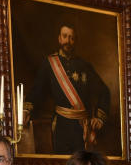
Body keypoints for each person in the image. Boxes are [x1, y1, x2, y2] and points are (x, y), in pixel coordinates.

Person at [30, 24, 111, 154]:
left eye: (72, 38)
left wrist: (100, 117)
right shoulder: (49, 63)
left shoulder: (84, 66)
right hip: (61, 125)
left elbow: (104, 91)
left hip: (82, 127)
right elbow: (37, 91)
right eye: (65, 36)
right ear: (59, 38)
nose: (68, 41)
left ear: (75, 41)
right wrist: (26, 109)